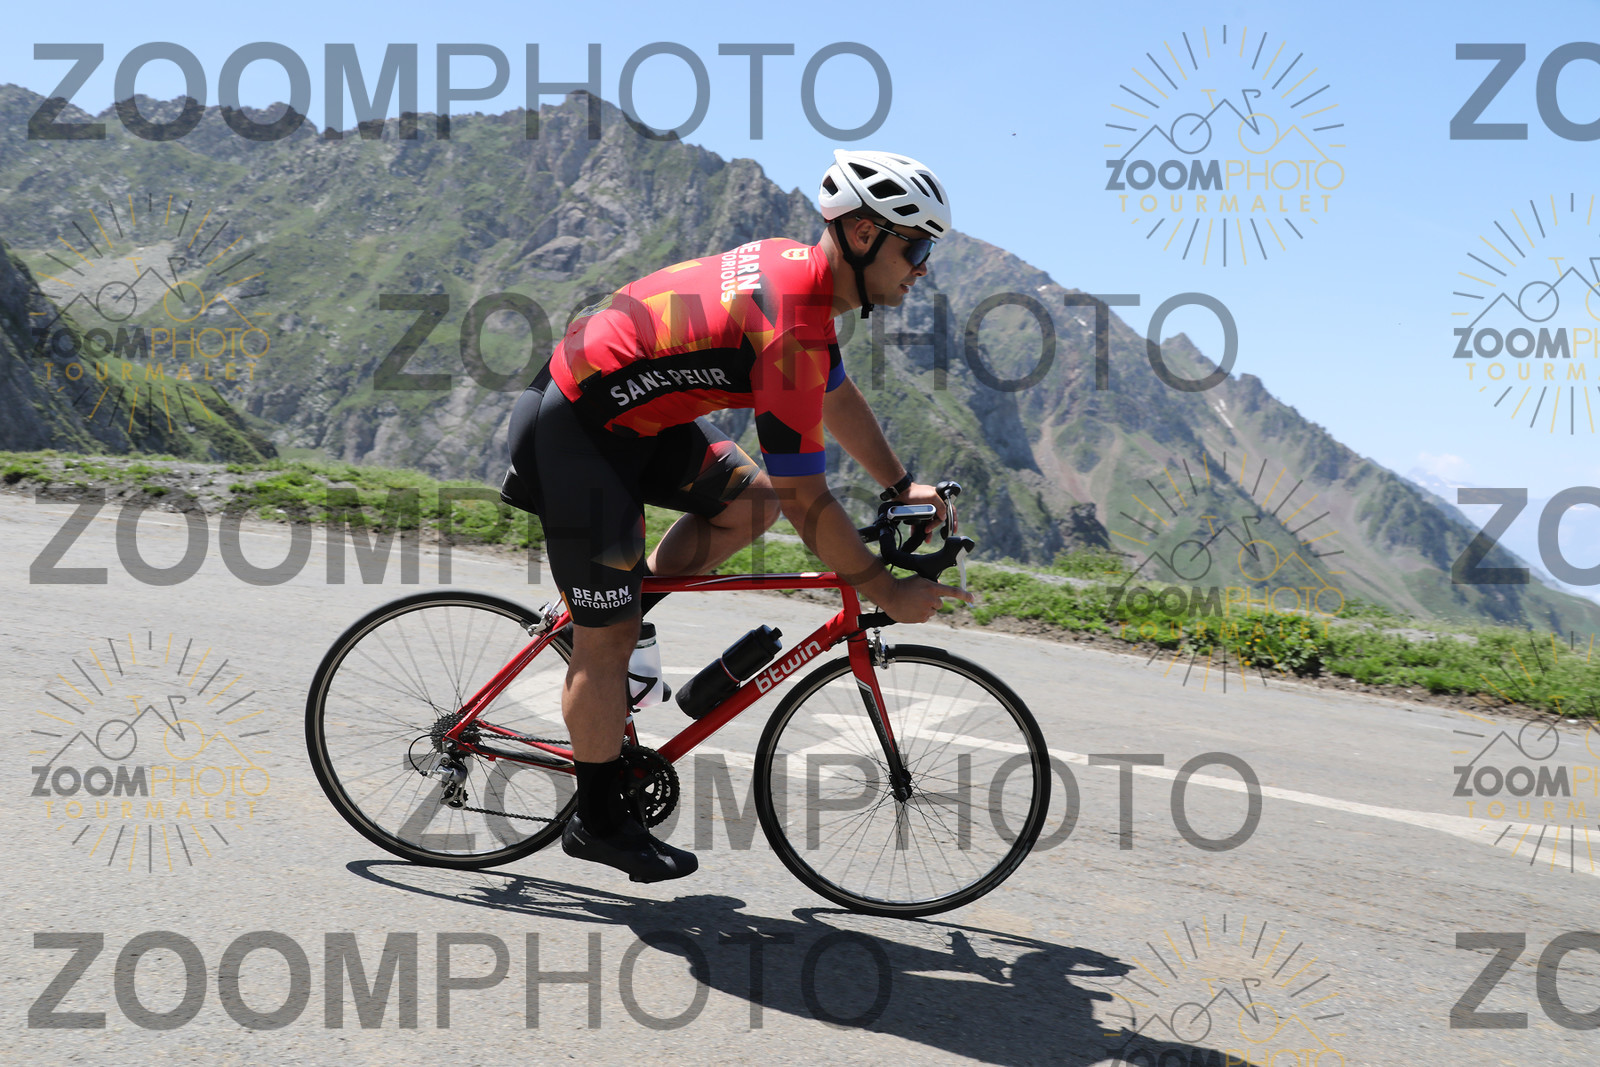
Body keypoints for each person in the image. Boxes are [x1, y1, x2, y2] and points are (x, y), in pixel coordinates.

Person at [504, 149, 973, 883]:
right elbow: (807, 497)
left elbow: (833, 394)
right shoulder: (790, 326)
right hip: (575, 431)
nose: (922, 269)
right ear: (862, 235)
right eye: (914, 248)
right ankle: (597, 819)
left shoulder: (806, 283)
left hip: (626, 417)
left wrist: (900, 482)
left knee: (749, 503)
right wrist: (885, 588)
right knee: (609, 636)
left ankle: (616, 614)